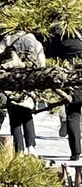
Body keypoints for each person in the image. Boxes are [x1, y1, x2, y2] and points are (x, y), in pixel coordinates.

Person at [47, 30, 82, 160]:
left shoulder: (61, 40)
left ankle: (76, 152)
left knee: (73, 115)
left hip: (71, 80)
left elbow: (51, 57)